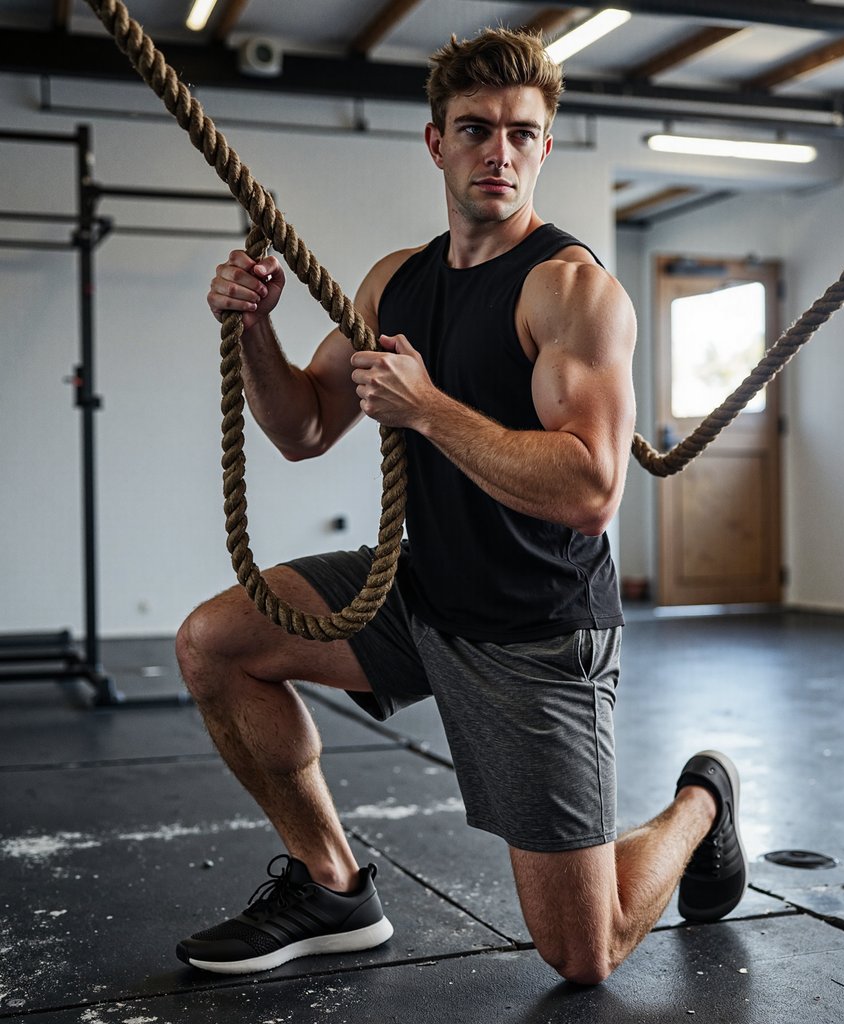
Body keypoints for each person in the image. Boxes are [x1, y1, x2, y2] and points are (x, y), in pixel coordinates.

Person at [175, 27, 746, 984]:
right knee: (213, 642)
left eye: (522, 134)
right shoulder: (394, 282)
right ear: (436, 143)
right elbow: (303, 429)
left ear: (545, 149)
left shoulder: (573, 294)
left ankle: (703, 803)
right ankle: (333, 886)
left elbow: (592, 491)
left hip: (533, 631)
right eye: (476, 129)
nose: (500, 152)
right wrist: (256, 330)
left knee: (584, 952)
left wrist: (430, 409)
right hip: (417, 594)